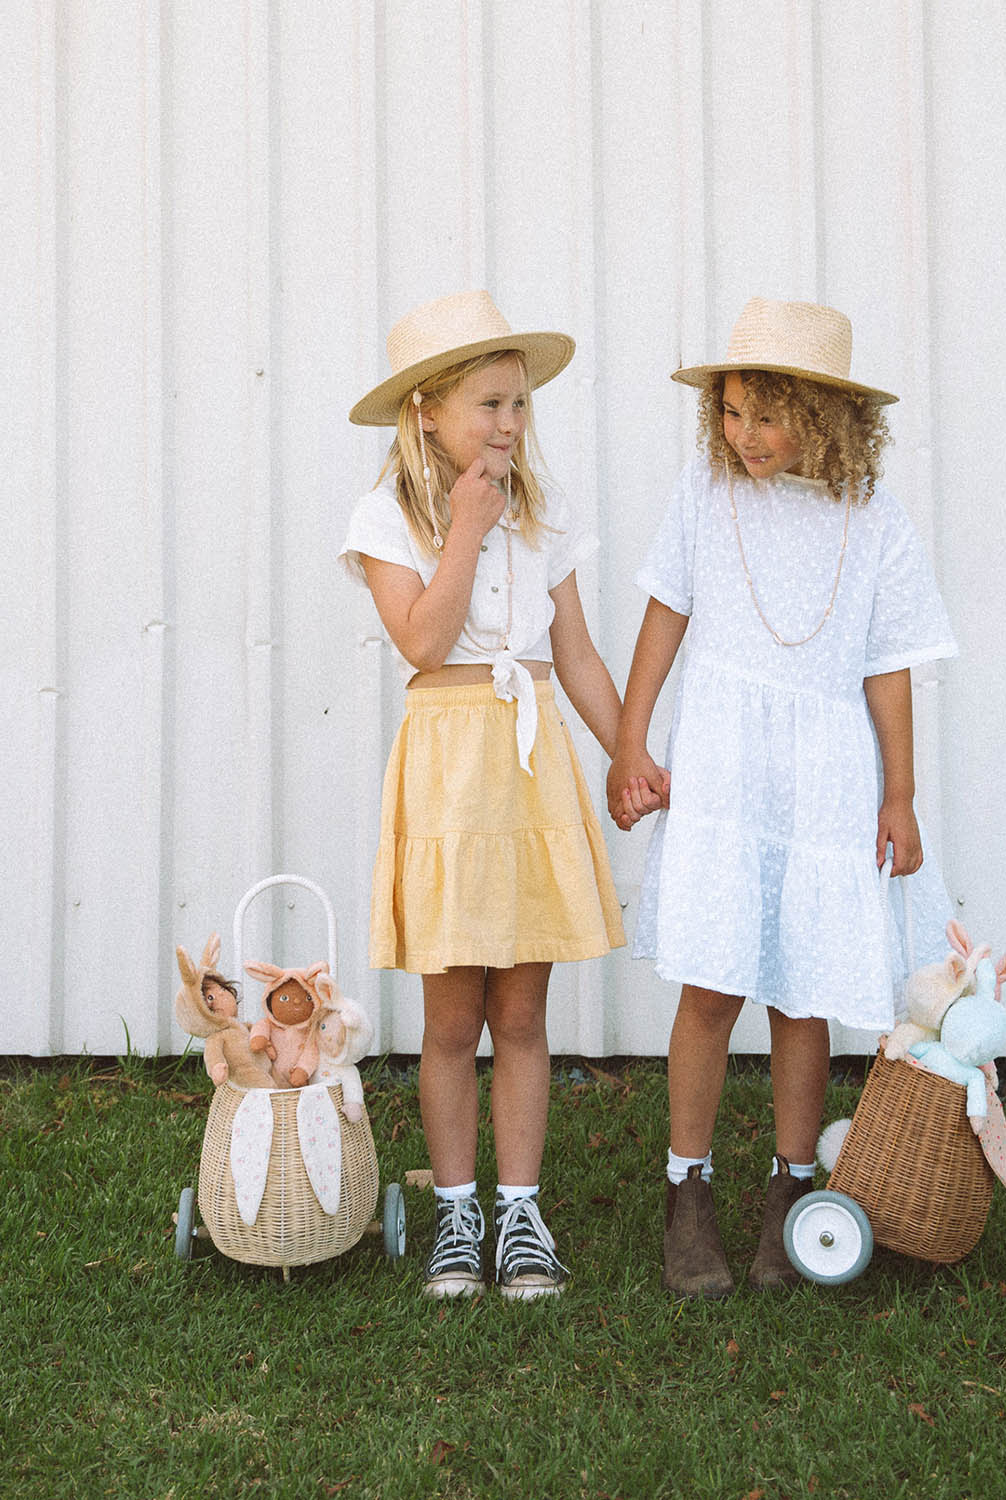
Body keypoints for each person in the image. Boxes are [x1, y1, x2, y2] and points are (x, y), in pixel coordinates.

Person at [607, 298, 957, 1298]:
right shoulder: (704, 494)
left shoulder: (872, 516)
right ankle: (687, 1191)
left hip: (827, 771)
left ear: (824, 416)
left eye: (766, 416)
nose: (744, 437)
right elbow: (666, 611)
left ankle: (792, 1188)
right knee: (713, 981)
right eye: (730, 412)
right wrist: (632, 737)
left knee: (802, 990)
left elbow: (888, 665)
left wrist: (902, 794)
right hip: (722, 756)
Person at [340, 290, 634, 1299]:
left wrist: (628, 749)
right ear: (426, 410)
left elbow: (580, 655)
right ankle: (456, 1213)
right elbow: (422, 640)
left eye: (519, 406)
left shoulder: (541, 516)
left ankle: (520, 1213)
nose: (509, 425)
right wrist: (466, 523)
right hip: (450, 771)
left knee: (521, 1013)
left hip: (527, 764)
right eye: (490, 405)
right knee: (452, 1017)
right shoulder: (389, 517)